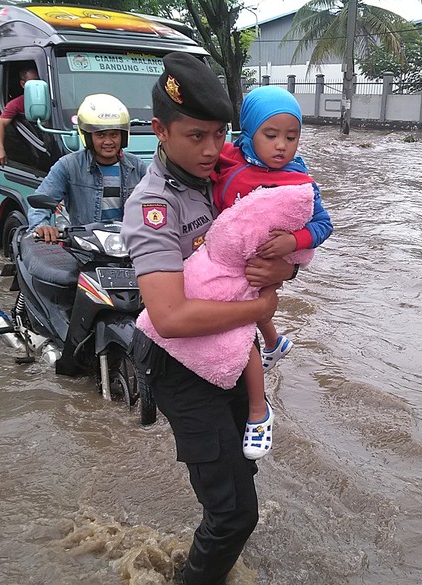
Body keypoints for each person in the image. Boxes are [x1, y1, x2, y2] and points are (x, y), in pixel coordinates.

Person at [121, 52, 294, 585]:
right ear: (159, 131)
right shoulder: (154, 205)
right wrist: (261, 309)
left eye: (218, 134)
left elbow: (263, 259)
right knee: (235, 514)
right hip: (181, 364)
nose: (210, 148)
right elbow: (168, 316)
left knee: (242, 472)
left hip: (229, 349)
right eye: (195, 135)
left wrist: (284, 260)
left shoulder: (227, 182)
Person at [213, 85, 333, 459]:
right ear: (248, 133)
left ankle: (258, 411)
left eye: (291, 137)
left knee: (239, 333)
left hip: (261, 266)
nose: (282, 145)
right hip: (224, 261)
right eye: (271, 135)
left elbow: (323, 225)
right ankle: (275, 342)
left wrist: (294, 241)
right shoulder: (225, 160)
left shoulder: (300, 180)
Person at [27, 93, 147, 240]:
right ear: (88, 137)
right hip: (86, 247)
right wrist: (41, 226)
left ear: (123, 136)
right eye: (101, 136)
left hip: (128, 246)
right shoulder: (69, 166)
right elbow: (40, 203)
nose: (108, 141)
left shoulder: (137, 167)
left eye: (114, 135)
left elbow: (157, 202)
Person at [0, 65, 39, 165]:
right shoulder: (16, 104)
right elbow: (0, 124)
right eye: (34, 81)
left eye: (40, 81)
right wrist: (0, 149)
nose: (38, 85)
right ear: (23, 84)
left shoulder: (52, 98)